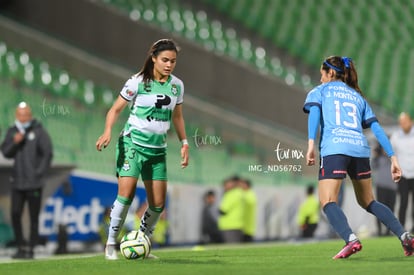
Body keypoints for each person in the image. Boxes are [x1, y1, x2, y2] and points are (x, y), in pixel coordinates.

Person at [303, 55, 414, 259]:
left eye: (322, 74)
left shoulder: (320, 91)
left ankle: (350, 239)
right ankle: (405, 236)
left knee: (327, 201)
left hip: (335, 147)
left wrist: (310, 144)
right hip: (360, 149)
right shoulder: (357, 97)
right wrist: (393, 157)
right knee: (369, 201)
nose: (320, 79)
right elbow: (376, 128)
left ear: (331, 73)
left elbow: (314, 115)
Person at [96, 38, 189, 260]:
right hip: (132, 145)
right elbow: (115, 109)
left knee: (157, 205)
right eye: (165, 60)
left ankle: (143, 242)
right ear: (154, 58)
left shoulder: (177, 85)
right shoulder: (136, 82)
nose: (169, 65)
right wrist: (108, 130)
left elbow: (177, 116)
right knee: (126, 195)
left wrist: (184, 142)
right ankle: (110, 245)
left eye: (173, 61)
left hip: (158, 151)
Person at [0, 101, 53, 259]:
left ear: (30, 115)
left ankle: (31, 247)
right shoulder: (12, 131)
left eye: (26, 115)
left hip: (34, 183)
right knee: (15, 213)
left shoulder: (39, 131)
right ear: (17, 115)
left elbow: (47, 154)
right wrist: (14, 143)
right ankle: (20, 245)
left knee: (33, 216)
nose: (23, 118)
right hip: (17, 182)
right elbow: (6, 152)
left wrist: (38, 173)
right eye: (20, 115)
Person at [390, 112, 414, 232]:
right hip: (403, 174)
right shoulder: (396, 136)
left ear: (411, 121)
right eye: (401, 123)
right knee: (403, 201)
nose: (403, 125)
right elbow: (392, 154)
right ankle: (401, 229)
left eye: (405, 122)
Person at [371, 142, 397, 236]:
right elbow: (373, 166)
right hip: (381, 186)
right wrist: (375, 155)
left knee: (391, 209)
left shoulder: (394, 158)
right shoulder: (378, 158)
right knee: (379, 209)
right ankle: (379, 231)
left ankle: (388, 231)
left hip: (393, 187)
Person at [218, 176, 245, 243]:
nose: (224, 187)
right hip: (237, 225)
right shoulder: (239, 192)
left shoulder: (231, 194)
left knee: (231, 247)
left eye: (225, 184)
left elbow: (222, 210)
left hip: (230, 226)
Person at [239, 178, 257, 242]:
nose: (240, 186)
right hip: (243, 226)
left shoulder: (249, 194)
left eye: (242, 184)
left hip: (248, 227)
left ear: (247, 185)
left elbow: (251, 202)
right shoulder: (246, 194)